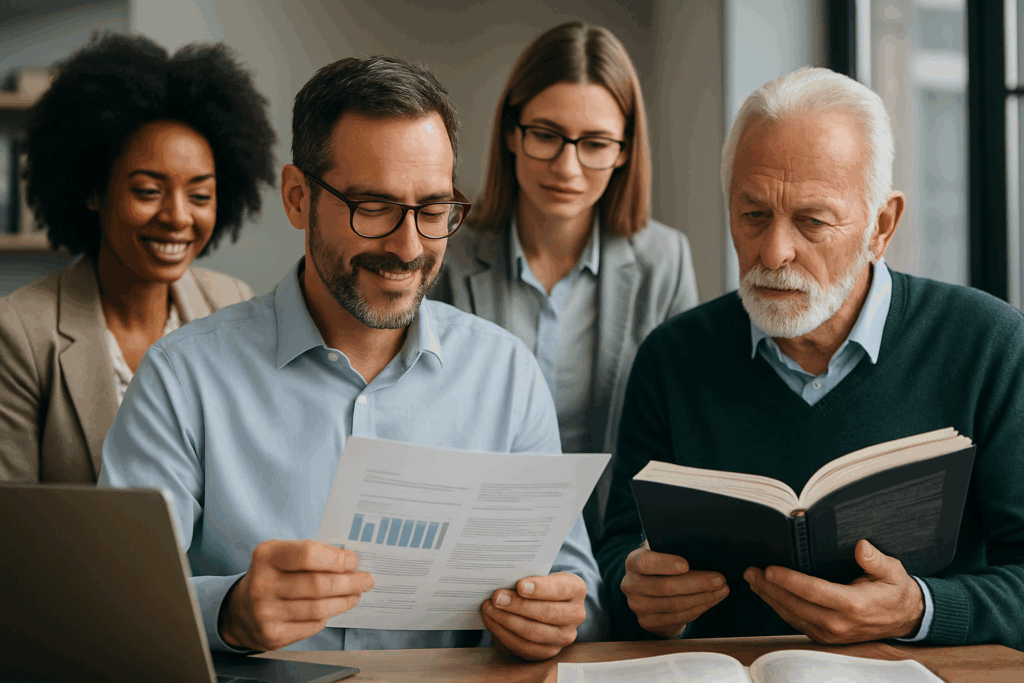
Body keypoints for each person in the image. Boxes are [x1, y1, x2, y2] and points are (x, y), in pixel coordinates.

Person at [98, 55, 606, 658]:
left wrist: (558, 614)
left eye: (433, 210)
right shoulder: (182, 379)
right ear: (296, 198)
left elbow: (579, 592)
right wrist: (227, 612)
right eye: (374, 208)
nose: (409, 246)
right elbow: (112, 609)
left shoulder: (508, 375)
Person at [597, 67, 1024, 650]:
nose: (773, 251)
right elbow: (616, 559)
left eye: (812, 221)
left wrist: (917, 610)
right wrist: (643, 597)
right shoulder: (672, 360)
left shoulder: (988, 346)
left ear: (882, 225)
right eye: (752, 216)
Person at [433, 22, 699, 549]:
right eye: (547, 135)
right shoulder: (447, 252)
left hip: (615, 549)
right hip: (473, 544)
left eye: (596, 143)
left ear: (624, 150)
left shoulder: (665, 261)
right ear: (512, 132)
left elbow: (679, 438)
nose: (566, 167)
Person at [0, 33, 276, 483]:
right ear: (91, 189)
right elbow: (10, 523)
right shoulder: (20, 333)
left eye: (200, 194)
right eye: (148, 191)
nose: (177, 217)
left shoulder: (232, 302)